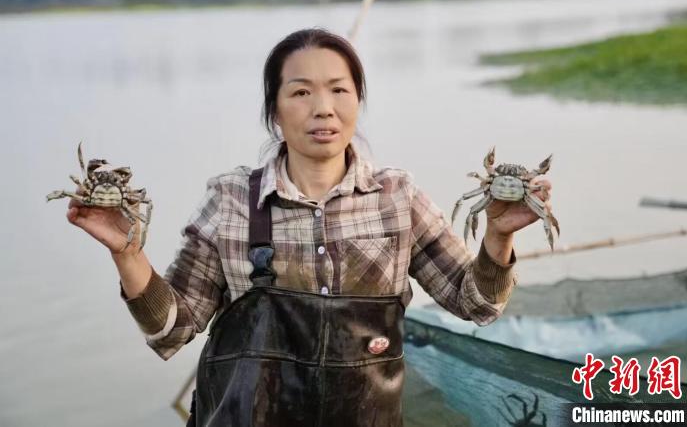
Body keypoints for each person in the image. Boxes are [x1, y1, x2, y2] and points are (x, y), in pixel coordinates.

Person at [65, 28, 553, 426]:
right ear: (274, 112)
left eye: (339, 90)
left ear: (357, 101)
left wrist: (498, 237)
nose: (324, 107)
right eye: (301, 92)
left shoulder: (396, 198)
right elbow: (172, 330)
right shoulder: (231, 199)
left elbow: (476, 304)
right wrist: (127, 253)